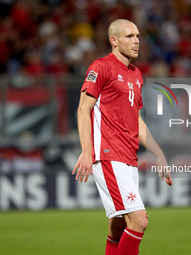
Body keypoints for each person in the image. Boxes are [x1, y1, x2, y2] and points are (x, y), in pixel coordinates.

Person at [72, 19, 173, 255]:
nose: (136, 41)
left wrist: (159, 154)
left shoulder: (136, 74)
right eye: (129, 36)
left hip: (128, 158)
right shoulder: (101, 67)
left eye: (137, 36)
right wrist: (87, 151)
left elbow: (136, 121)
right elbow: (82, 109)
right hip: (108, 154)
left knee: (118, 226)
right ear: (114, 40)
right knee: (139, 220)